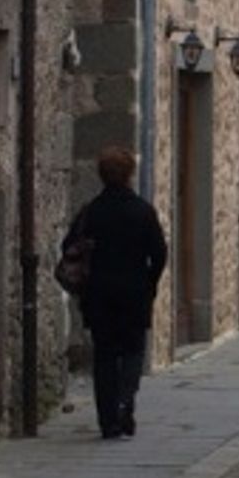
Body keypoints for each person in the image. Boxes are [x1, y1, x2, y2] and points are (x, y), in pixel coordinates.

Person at [67, 145, 168, 440]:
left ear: (101, 176)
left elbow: (69, 247)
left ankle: (108, 421)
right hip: (135, 292)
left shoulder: (91, 212)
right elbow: (159, 253)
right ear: (129, 175)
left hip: (98, 293)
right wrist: (150, 283)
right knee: (134, 350)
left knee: (105, 355)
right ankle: (126, 399)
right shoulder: (143, 211)